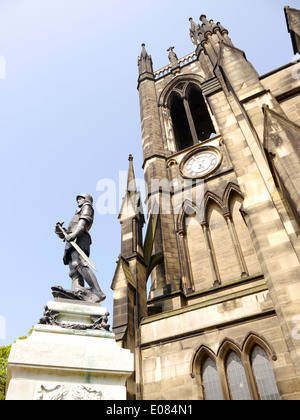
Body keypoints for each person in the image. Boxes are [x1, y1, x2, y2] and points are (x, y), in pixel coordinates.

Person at [55, 194, 106, 303]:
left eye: (81, 198)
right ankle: (77, 291)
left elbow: (82, 225)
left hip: (80, 238)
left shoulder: (87, 207)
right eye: (77, 198)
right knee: (73, 271)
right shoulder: (77, 212)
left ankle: (97, 292)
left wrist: (73, 235)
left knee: (78, 263)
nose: (78, 200)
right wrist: (59, 231)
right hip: (72, 241)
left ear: (86, 200)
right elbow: (67, 234)